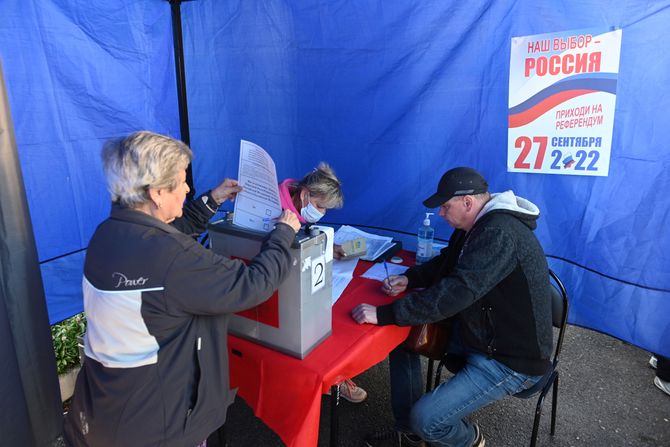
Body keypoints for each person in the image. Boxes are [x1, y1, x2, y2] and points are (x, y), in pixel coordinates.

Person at [63, 131, 301, 447]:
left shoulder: (107, 235)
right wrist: (284, 234)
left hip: (102, 412)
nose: (188, 187)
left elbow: (163, 234)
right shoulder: (173, 258)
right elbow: (252, 285)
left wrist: (211, 201)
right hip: (159, 428)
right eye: (180, 180)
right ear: (157, 192)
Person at [352, 167, 553, 447]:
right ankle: (407, 433)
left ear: (468, 203)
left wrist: (386, 313)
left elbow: (456, 292)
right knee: (400, 339)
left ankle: (470, 440)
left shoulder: (498, 233)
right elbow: (449, 262)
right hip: (482, 333)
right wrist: (409, 278)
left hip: (509, 359)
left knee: (427, 420)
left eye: (446, 207)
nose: (442, 214)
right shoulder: (475, 225)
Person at [278, 163, 368, 403]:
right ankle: (326, 377)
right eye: (320, 206)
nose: (322, 213)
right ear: (305, 194)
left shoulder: (294, 204)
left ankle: (329, 374)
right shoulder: (276, 209)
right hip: (274, 287)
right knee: (323, 315)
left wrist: (332, 249)